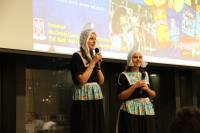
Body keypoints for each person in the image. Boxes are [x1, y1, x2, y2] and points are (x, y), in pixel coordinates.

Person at [70, 27, 105, 133]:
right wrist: (93, 62)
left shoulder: (93, 57)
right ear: (84, 39)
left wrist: (98, 65)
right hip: (83, 95)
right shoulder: (77, 56)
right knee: (85, 126)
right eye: (91, 38)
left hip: (96, 95)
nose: (94, 41)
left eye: (95, 39)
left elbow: (101, 81)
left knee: (96, 125)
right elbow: (82, 79)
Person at [116, 49, 156, 133]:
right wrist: (134, 86)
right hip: (130, 111)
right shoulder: (123, 75)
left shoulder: (146, 75)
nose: (138, 59)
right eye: (135, 57)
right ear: (130, 59)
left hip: (146, 110)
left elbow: (153, 95)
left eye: (140, 57)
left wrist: (147, 89)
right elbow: (121, 96)